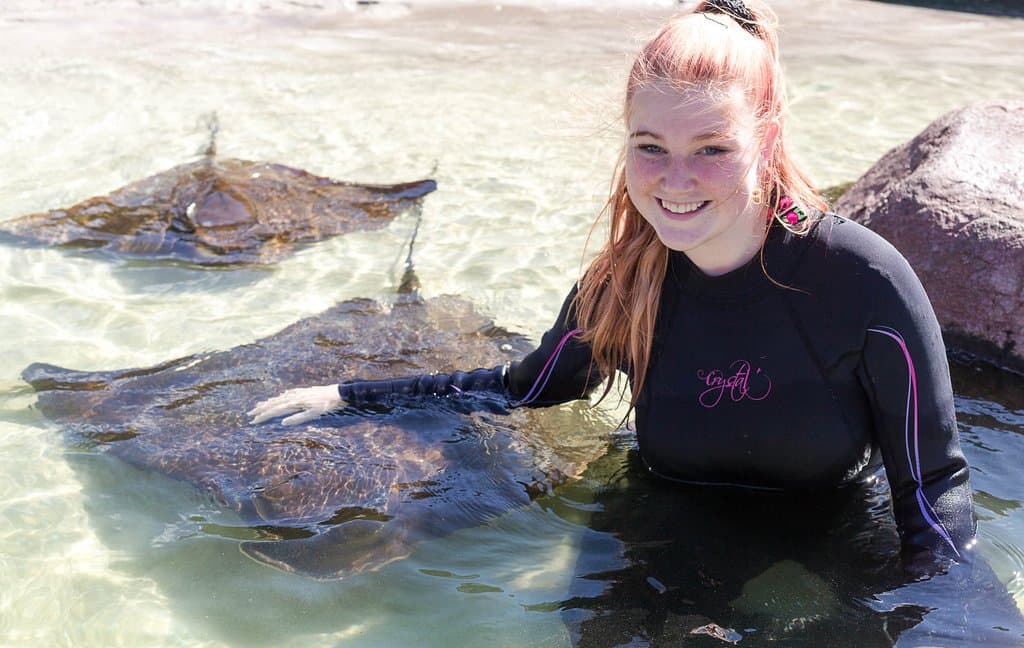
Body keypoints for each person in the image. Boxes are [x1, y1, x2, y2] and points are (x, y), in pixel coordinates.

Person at [250, 0, 974, 572]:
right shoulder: (622, 284)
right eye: (650, 147)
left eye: (712, 149)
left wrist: (935, 634)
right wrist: (351, 397)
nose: (677, 181)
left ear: (769, 141)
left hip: (831, 549)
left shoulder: (864, 285)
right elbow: (520, 388)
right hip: (658, 547)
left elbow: (932, 486)